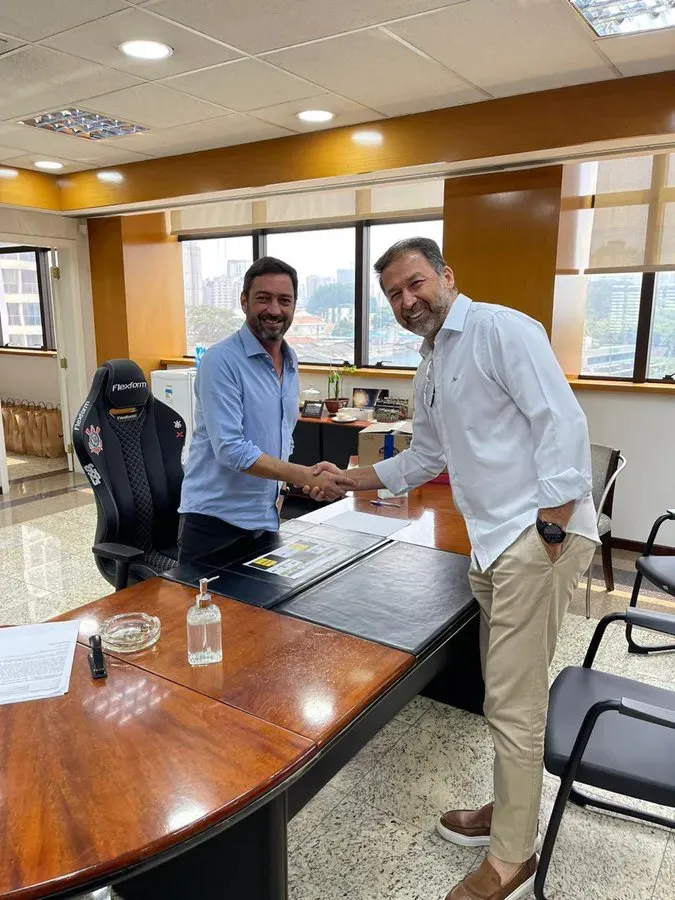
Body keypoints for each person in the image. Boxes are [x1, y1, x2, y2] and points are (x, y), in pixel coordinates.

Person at [309, 238, 597, 900]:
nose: (407, 300)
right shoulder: (431, 362)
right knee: (506, 688)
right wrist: (352, 479)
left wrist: (550, 529)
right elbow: (426, 456)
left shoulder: (499, 329)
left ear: (446, 276)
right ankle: (511, 809)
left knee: (512, 700)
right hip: (492, 541)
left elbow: (561, 421)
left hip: (532, 536)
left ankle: (512, 858)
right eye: (394, 294)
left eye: (415, 283)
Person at [178, 256, 354, 565]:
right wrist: (305, 474)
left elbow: (281, 437)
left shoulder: (290, 360)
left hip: (266, 520)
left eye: (284, 300)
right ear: (244, 301)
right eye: (264, 298)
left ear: (294, 306)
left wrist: (289, 487)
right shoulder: (221, 361)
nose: (274, 310)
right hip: (214, 526)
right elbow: (231, 449)